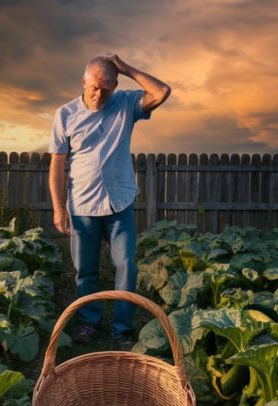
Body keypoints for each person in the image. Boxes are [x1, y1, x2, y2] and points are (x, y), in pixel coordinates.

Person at [48, 54, 171, 346]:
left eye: (106, 88)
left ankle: (122, 327)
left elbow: (162, 92)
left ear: (116, 85)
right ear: (84, 81)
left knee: (126, 265)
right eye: (94, 87)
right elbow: (56, 165)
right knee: (85, 270)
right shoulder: (65, 115)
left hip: (120, 202)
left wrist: (127, 69)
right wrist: (57, 208)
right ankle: (89, 323)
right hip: (82, 205)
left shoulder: (126, 104)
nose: (99, 94)